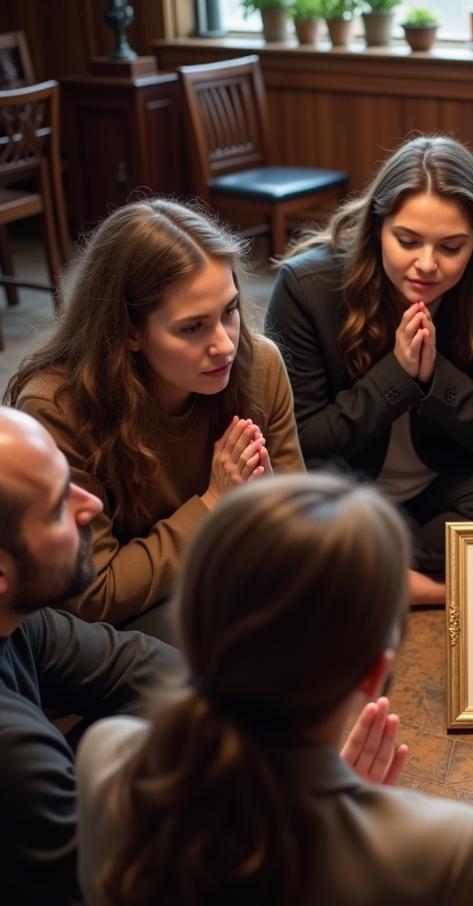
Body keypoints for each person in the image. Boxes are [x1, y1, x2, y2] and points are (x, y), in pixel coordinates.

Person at [75, 474, 473, 906]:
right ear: (374, 673)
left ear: (191, 625)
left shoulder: (107, 759)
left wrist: (334, 793)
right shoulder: (438, 851)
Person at [265, 135, 473, 607]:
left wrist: (434, 380)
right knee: (301, 509)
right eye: (407, 240)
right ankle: (427, 579)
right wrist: (397, 378)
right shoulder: (307, 286)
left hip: (446, 485)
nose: (426, 265)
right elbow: (303, 440)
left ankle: (378, 565)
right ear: (378, 226)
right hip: (350, 483)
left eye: (452, 247)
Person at [5, 198, 303, 642]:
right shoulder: (59, 408)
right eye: (192, 328)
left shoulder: (258, 364)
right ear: (128, 332)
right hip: (122, 628)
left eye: (230, 311)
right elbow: (91, 595)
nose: (224, 344)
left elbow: (300, 528)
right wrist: (212, 505)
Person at [0, 407, 183, 906]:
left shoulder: (16, 618)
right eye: (56, 508)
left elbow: (151, 670)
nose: (91, 506)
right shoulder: (14, 756)